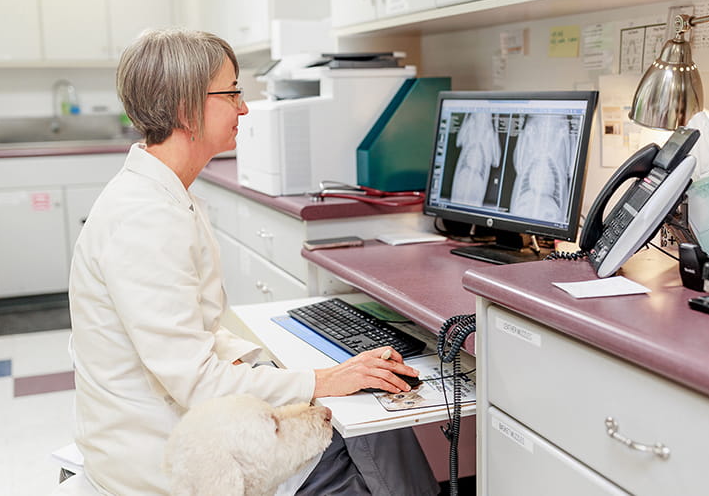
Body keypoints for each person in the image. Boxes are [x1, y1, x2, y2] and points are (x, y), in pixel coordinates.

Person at [67, 28, 439, 496]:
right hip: (163, 457)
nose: (244, 107)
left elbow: (189, 334)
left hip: (169, 424)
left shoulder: (161, 193)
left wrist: (282, 371)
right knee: (367, 431)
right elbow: (196, 383)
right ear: (186, 109)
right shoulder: (146, 219)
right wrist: (322, 380)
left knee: (364, 412)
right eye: (233, 92)